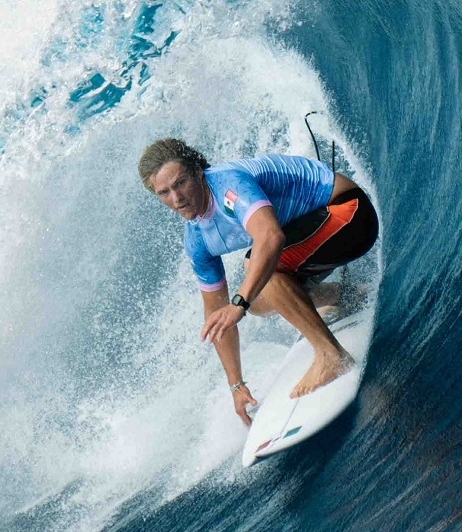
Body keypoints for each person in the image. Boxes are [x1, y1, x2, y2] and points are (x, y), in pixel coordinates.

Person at [137, 139, 377, 423]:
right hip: (320, 233)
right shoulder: (198, 239)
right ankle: (344, 296)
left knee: (258, 270)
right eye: (164, 192)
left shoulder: (228, 184)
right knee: (260, 303)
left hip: (350, 213)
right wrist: (236, 385)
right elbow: (216, 315)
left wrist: (238, 303)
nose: (176, 198)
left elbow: (271, 237)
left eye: (180, 183)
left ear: (198, 172)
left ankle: (331, 356)